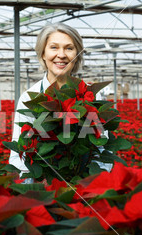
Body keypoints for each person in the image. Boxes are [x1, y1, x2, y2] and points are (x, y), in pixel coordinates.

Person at [9, 22, 111, 182]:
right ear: (43, 53)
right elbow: (17, 156)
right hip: (45, 189)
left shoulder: (91, 96)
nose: (61, 55)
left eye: (69, 48)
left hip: (85, 188)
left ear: (77, 54)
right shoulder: (29, 98)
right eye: (54, 47)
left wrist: (94, 186)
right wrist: (37, 186)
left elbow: (102, 148)